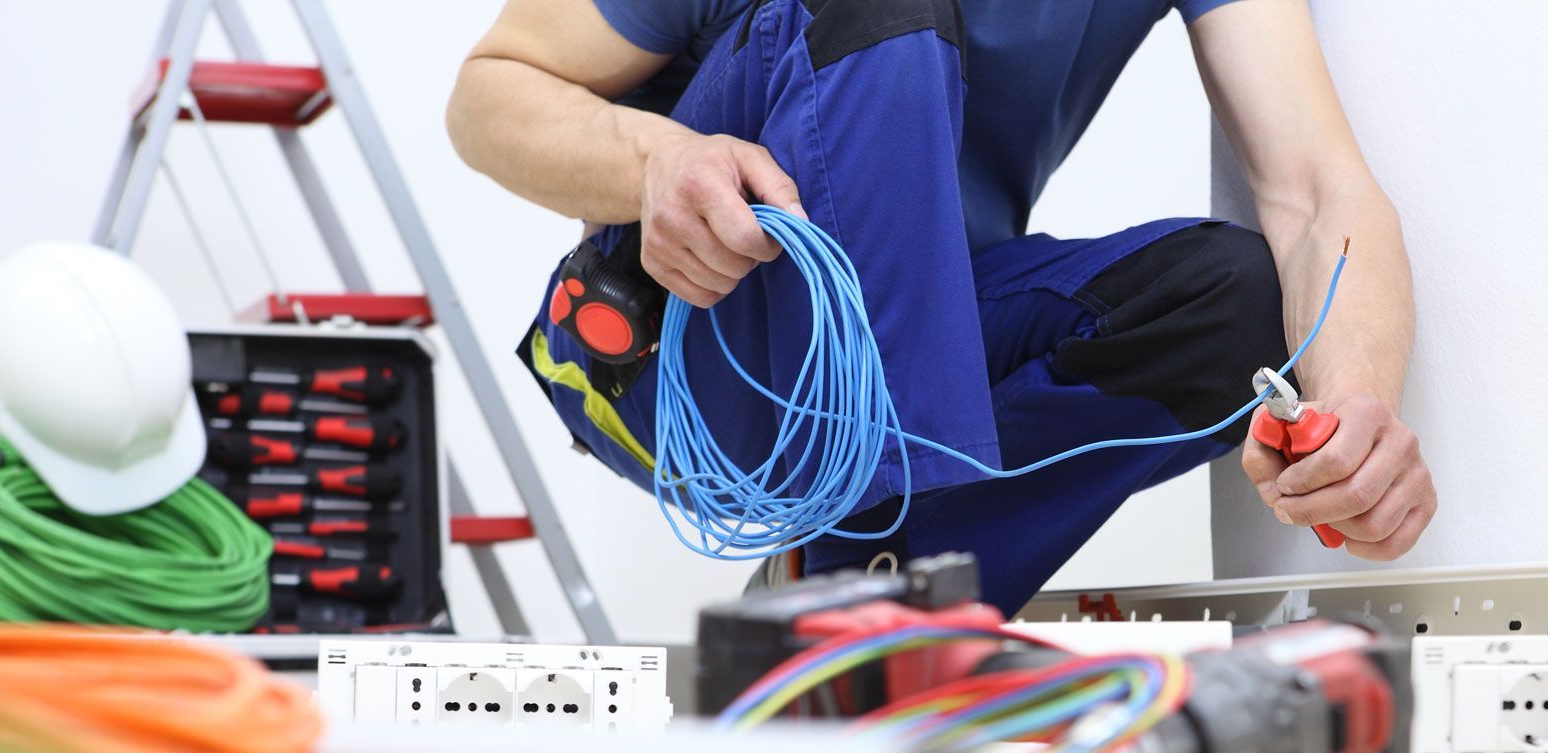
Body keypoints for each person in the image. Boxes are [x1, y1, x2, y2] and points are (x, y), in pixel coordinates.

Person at [448, 0, 1435, 613]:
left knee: (1236, 306)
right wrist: (656, 161)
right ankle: (866, 571)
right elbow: (491, 92)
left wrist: (1355, 416)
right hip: (693, 346)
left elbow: (1318, 191)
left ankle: (881, 583)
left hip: (928, 347)